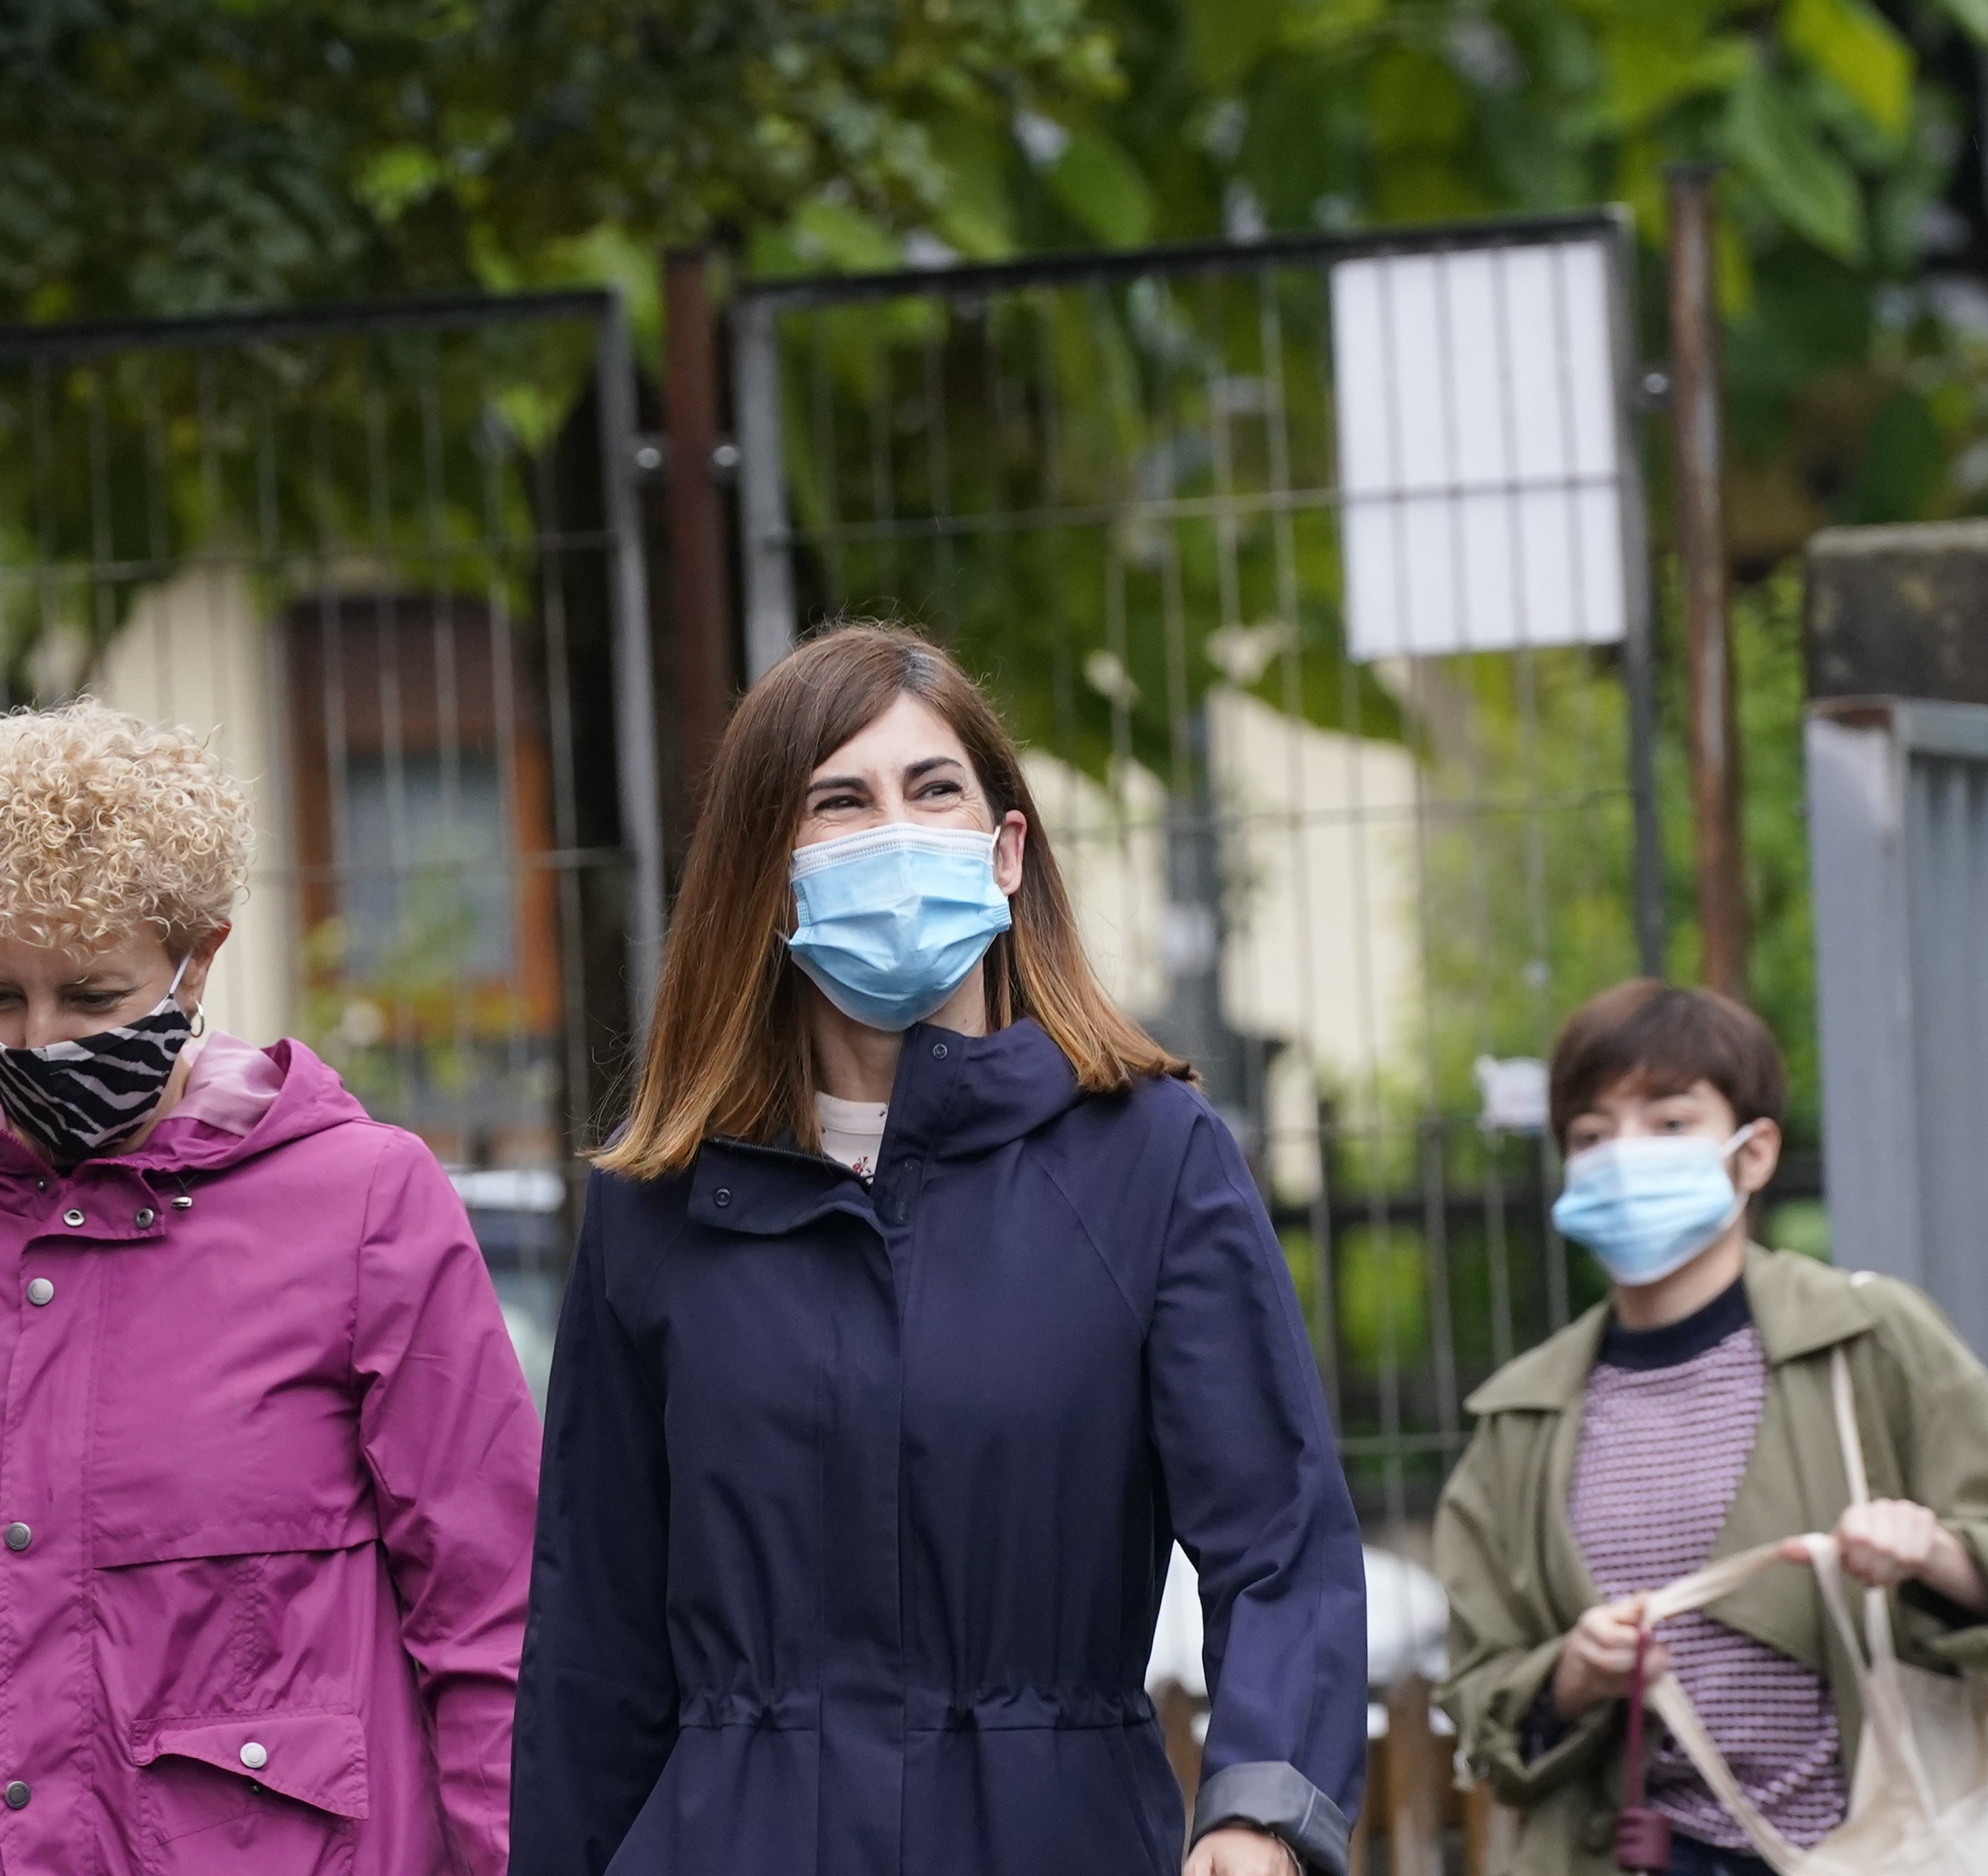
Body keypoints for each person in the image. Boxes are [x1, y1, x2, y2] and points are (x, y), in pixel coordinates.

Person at [511, 624, 1365, 1876]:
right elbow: (595, 1632)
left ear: (1006, 848)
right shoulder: (661, 1206)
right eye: (838, 802)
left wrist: (1258, 1812)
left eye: (934, 789)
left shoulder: (1147, 1159)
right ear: (769, 872)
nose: (896, 834)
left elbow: (1281, 1539)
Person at [0, 700, 540, 1876]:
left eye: (95, 995)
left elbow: (490, 1618)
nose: (43, 1039)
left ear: (200, 955)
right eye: (0, 994)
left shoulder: (368, 1204)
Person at [1436, 981, 1988, 1876]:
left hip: (1863, 1848)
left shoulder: (1868, 1339)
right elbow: (1479, 1700)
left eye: (1670, 1123)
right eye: (1593, 1135)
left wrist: (1936, 1552)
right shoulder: (1520, 1416)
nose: (1624, 1157)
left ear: (1753, 1154)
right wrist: (1571, 1677)